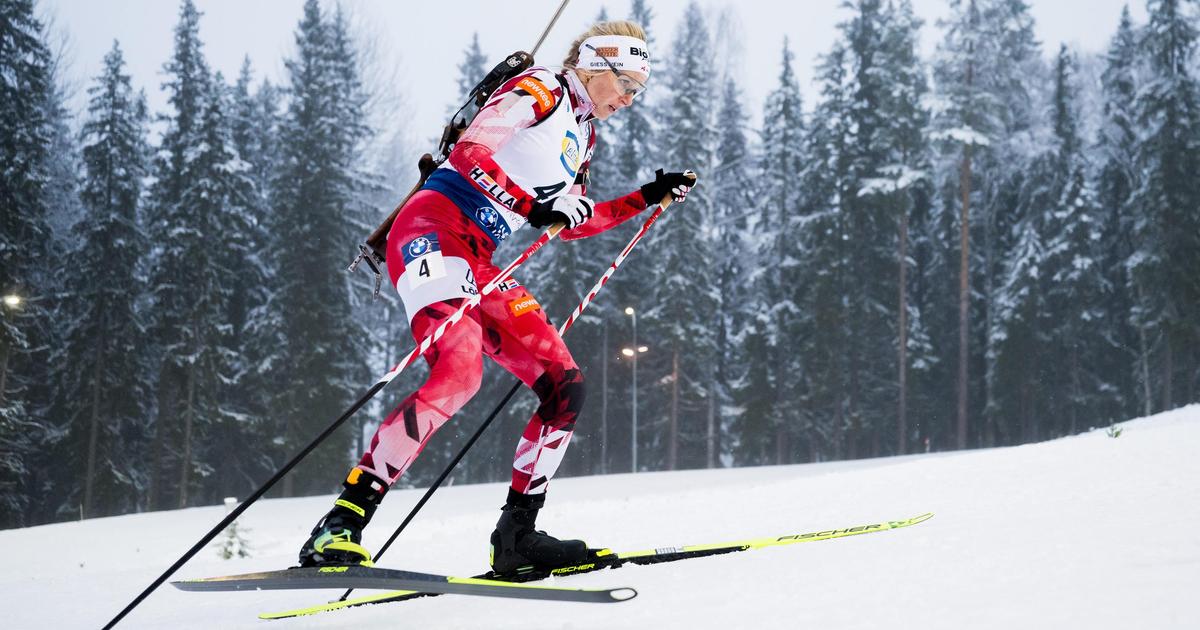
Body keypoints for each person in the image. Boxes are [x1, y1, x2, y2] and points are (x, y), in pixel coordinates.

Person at [298, 20, 695, 575]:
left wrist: (646, 197)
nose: (631, 99)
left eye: (640, 90)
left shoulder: (584, 133)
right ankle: (342, 523)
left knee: (566, 386)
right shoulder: (540, 90)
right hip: (430, 230)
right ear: (596, 65)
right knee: (460, 372)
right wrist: (533, 209)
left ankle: (517, 536)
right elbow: (470, 151)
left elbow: (573, 221)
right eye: (628, 83)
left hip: (481, 255)